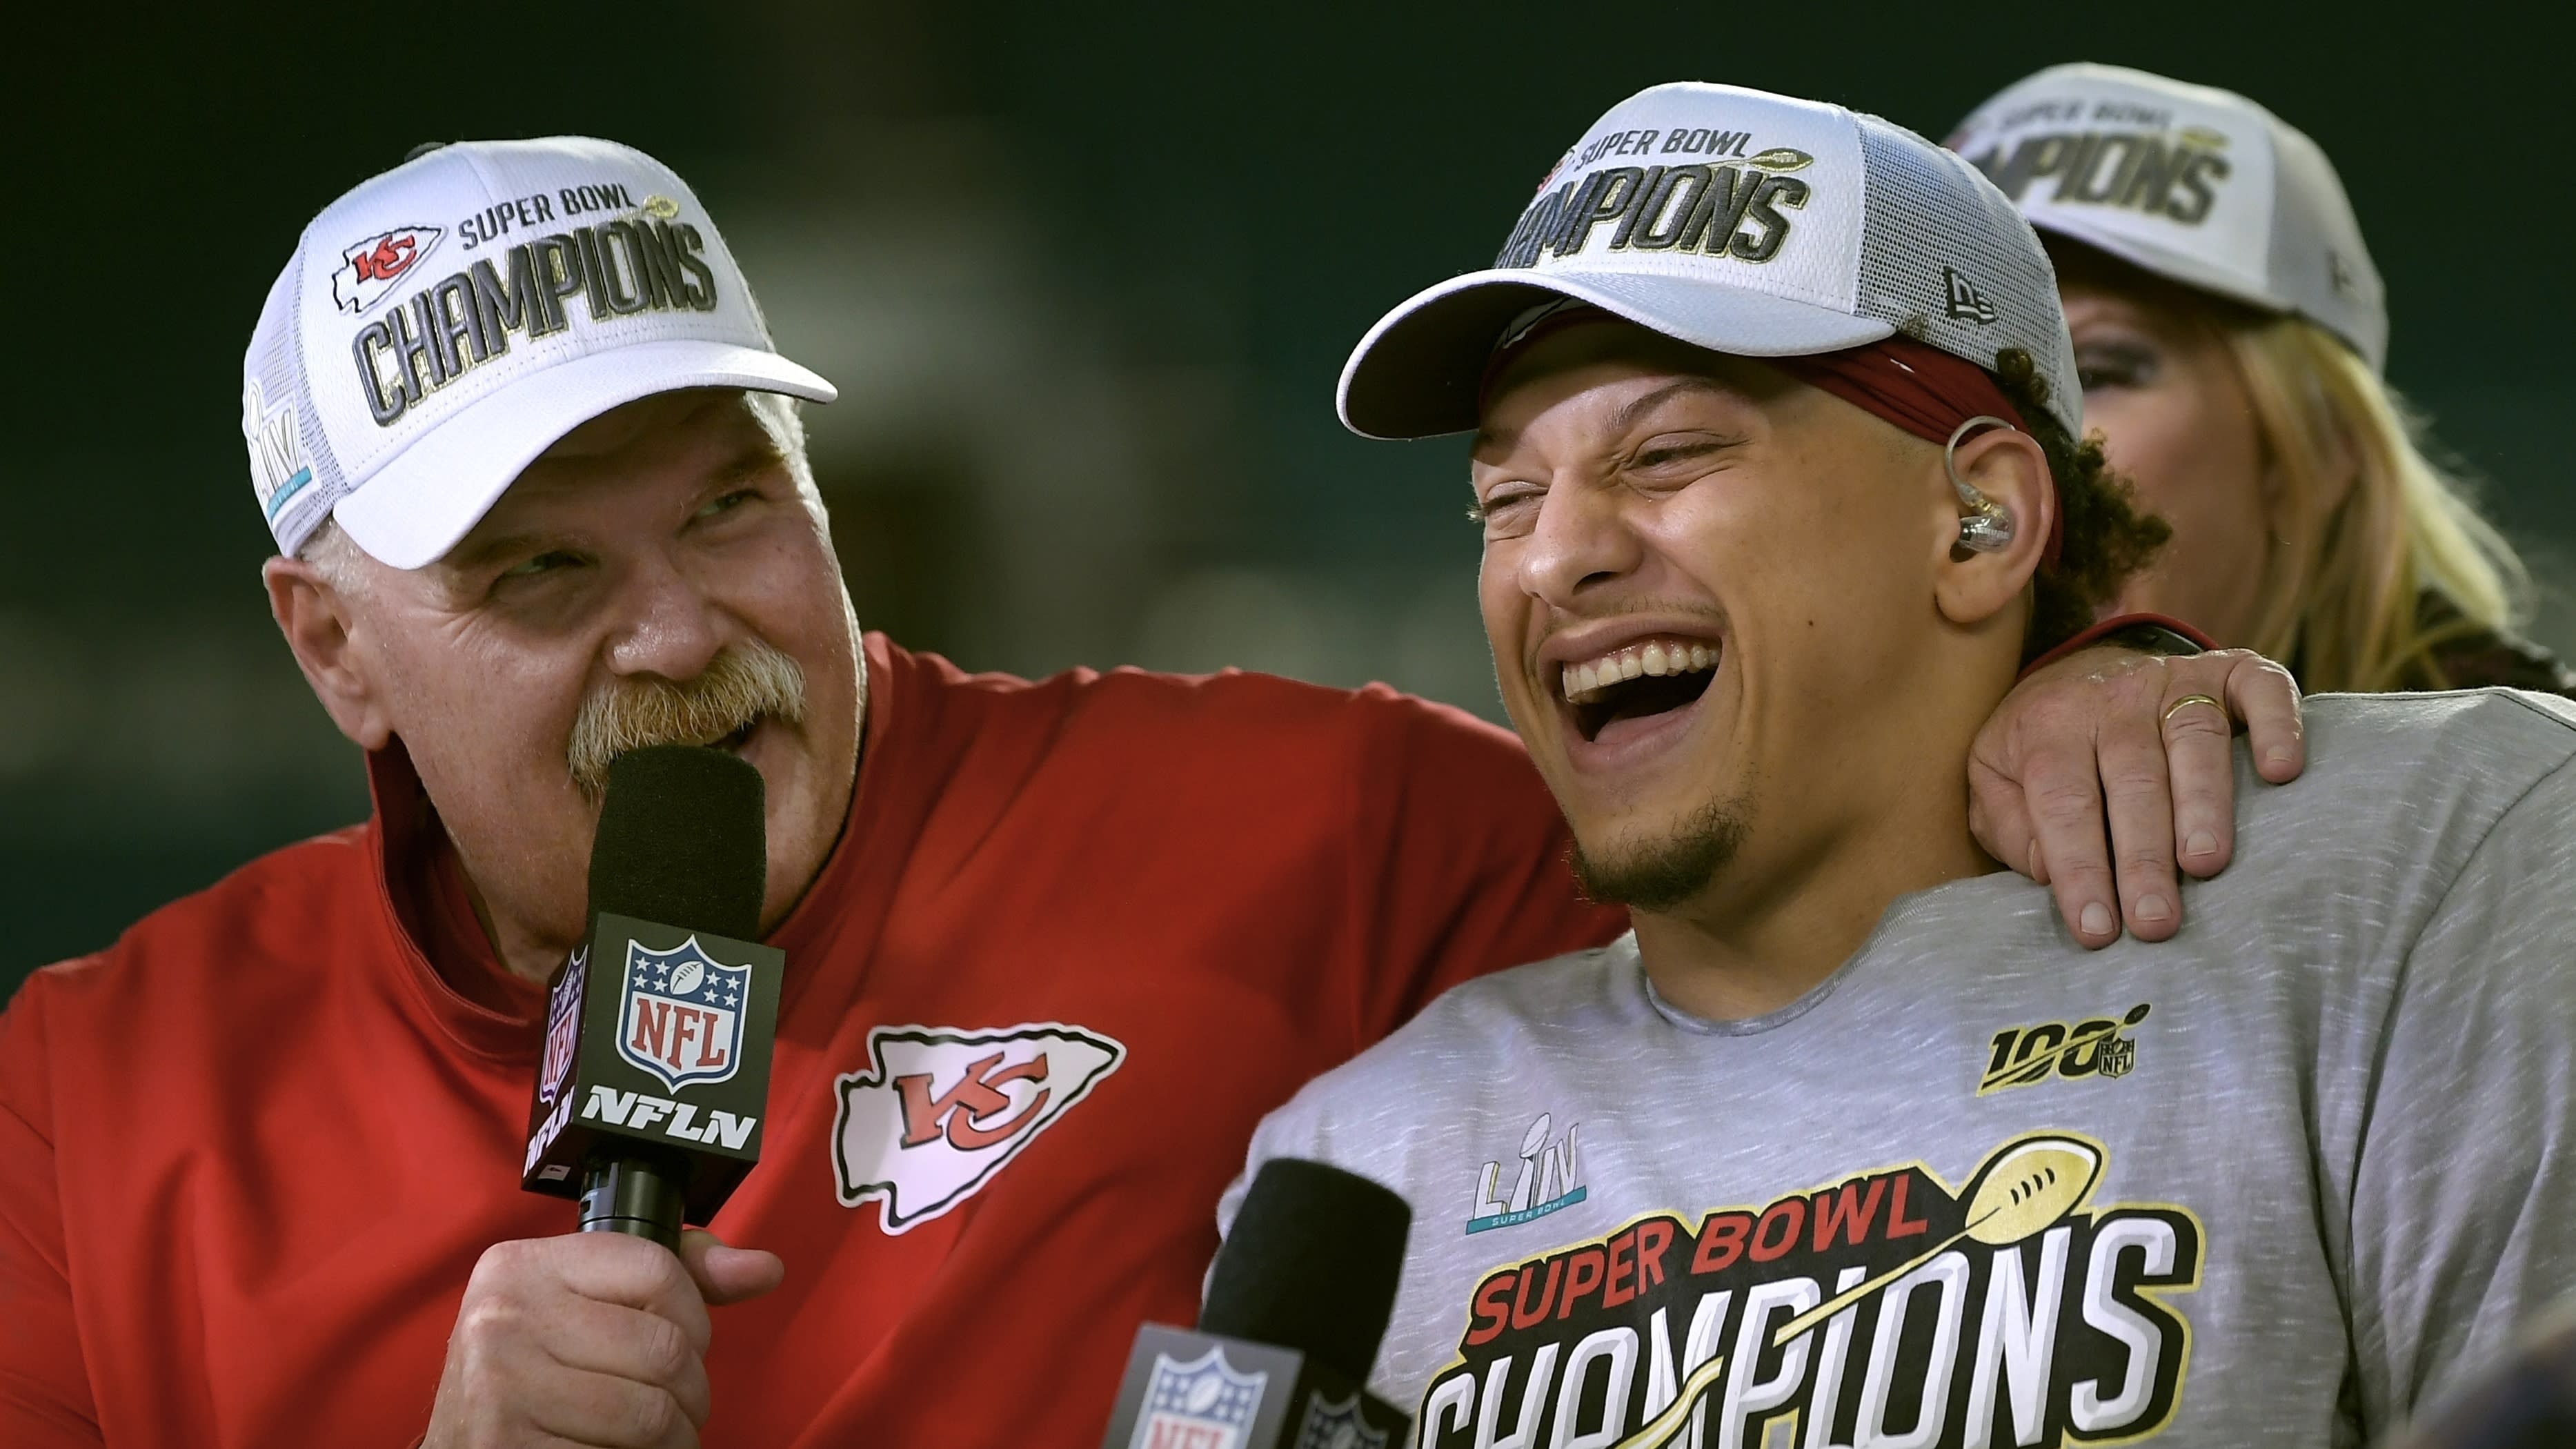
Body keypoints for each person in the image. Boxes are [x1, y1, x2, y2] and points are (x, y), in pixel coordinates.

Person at [0, 137, 2283, 1447]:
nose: (681, 633)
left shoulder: (1291, 827)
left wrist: (2082, 672)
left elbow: (1786, 806)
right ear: (332, 653)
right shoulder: (96, 1112)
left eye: (730, 510)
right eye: (539, 576)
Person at [1225, 80, 2576, 1448]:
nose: (1553, 556)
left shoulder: (2426, 867)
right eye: (1503, 500)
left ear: (1980, 521)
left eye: (1670, 453)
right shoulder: (1353, 1165)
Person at [1950, 63, 2575, 696]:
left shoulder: (2536, 780)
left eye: (2094, 372)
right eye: (1955, 369)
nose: (2002, 438)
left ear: (2316, 446)